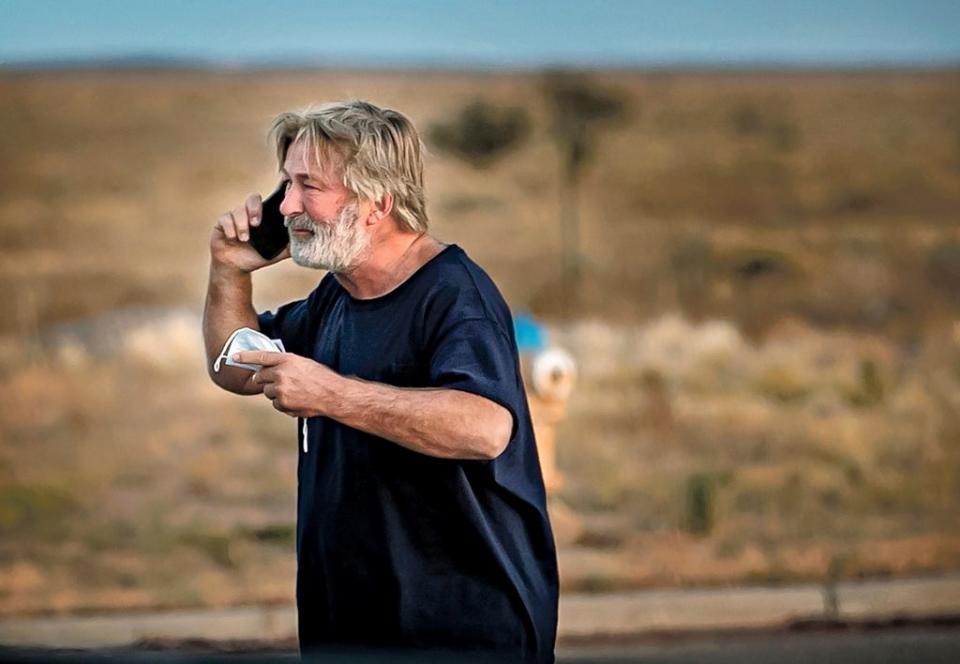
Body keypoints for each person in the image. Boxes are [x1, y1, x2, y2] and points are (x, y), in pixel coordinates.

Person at [202, 100, 559, 662]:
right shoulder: (336, 296)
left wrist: (332, 394)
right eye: (285, 185)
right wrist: (228, 269)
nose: (287, 205)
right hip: (348, 624)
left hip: (458, 632)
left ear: (378, 202)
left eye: (308, 186)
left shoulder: (454, 295)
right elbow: (234, 365)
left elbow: (486, 428)